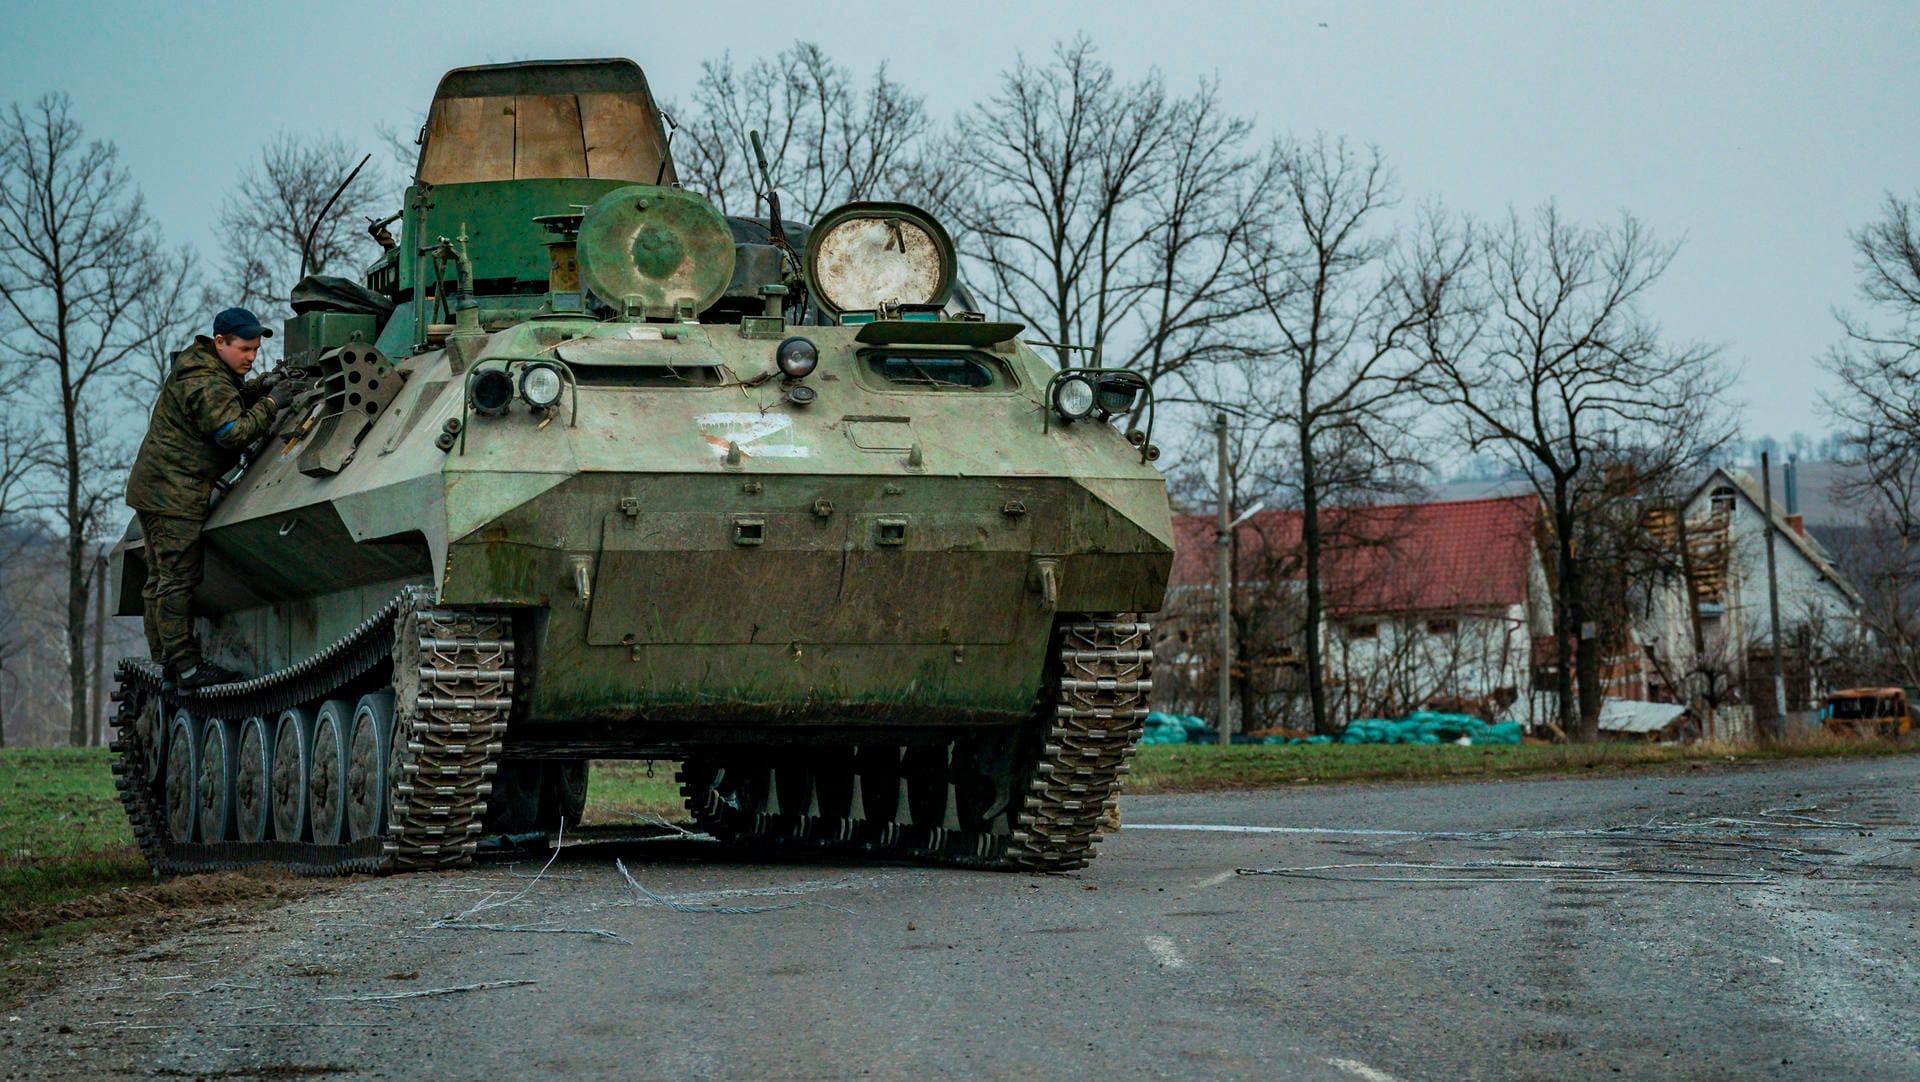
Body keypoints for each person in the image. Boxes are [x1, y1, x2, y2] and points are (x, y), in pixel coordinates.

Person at [124, 308, 309, 690]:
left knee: (161, 580)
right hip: (173, 492)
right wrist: (272, 404)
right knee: (176, 580)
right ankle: (187, 669)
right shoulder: (205, 382)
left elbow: (230, 396)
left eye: (256, 350)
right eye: (245, 349)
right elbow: (232, 432)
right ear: (220, 342)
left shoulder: (205, 368)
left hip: (161, 488)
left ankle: (170, 663)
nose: (251, 357)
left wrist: (260, 387)